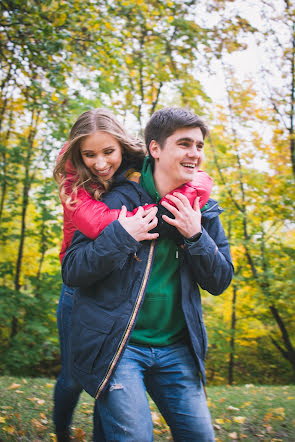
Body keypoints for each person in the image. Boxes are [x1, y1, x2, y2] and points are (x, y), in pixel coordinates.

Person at [53, 108, 213, 441]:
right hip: (79, 287)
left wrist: (192, 219)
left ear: (123, 148)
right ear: (78, 156)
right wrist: (135, 225)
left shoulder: (137, 174)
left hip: (124, 298)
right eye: (90, 154)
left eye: (108, 152)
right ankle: (61, 430)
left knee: (107, 380)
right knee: (74, 376)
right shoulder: (80, 187)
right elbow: (94, 229)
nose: (100, 163)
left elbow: (195, 177)